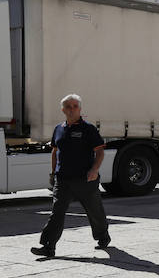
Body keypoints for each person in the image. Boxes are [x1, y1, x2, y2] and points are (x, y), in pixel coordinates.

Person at [31, 94, 110, 258]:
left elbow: (100, 152)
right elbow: (55, 152)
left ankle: (103, 236)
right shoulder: (59, 129)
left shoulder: (88, 129)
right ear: (63, 110)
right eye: (68, 106)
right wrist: (53, 173)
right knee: (57, 212)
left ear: (80, 109)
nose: (71, 109)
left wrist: (94, 170)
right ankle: (48, 246)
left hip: (85, 180)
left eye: (75, 106)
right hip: (63, 180)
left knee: (95, 211)